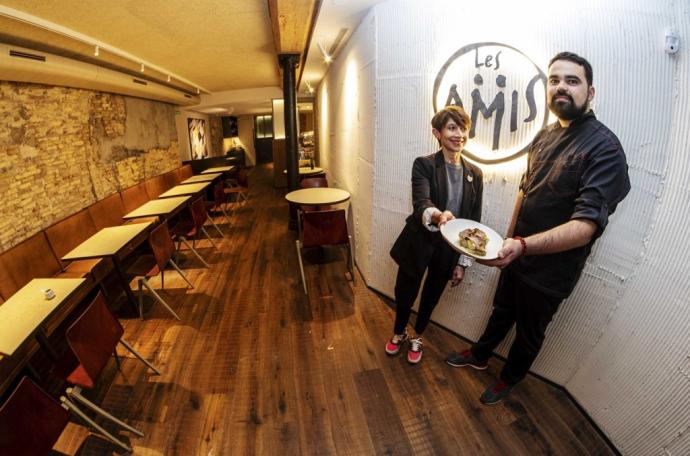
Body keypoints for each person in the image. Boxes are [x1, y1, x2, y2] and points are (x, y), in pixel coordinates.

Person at [445, 52, 631, 404]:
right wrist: (506, 241)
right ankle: (481, 356)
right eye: (554, 80)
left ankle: (509, 378)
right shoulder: (544, 136)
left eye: (572, 81)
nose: (561, 87)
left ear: (590, 92)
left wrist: (523, 246)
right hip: (517, 253)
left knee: (529, 332)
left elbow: (585, 227)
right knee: (501, 311)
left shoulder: (605, 148)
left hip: (552, 271)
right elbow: (524, 190)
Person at [388, 105, 483, 364]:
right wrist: (439, 216)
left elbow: (473, 221)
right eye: (452, 128)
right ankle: (399, 331)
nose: (459, 134)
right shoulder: (424, 165)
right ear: (437, 133)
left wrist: (464, 262)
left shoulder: (475, 173)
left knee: (431, 296)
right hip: (420, 240)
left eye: (463, 128)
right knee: (405, 291)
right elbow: (421, 202)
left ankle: (418, 335)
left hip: (448, 249)